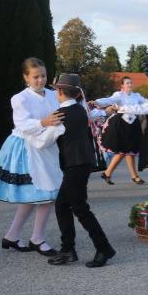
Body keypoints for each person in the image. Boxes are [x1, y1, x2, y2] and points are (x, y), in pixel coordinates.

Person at [0, 58, 62, 256]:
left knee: (36, 196)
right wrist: (44, 122)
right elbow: (22, 124)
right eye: (36, 77)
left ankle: (12, 236)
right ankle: (37, 238)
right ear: (26, 77)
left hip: (46, 146)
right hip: (25, 148)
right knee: (45, 194)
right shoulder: (20, 98)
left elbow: (62, 112)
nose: (40, 80)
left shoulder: (53, 94)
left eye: (43, 76)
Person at [47, 73, 116, 268]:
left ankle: (103, 248)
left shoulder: (61, 114)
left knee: (79, 208)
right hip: (81, 163)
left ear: (59, 91)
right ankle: (68, 249)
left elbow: (47, 140)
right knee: (63, 205)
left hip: (75, 164)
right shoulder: (80, 109)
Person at [89, 76, 146, 186]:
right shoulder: (119, 95)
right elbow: (109, 100)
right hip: (121, 124)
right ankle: (115, 174)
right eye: (127, 83)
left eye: (131, 83)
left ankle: (125, 175)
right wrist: (96, 102)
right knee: (124, 151)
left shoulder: (137, 96)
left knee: (130, 151)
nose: (130, 85)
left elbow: (146, 102)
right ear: (122, 86)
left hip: (133, 124)